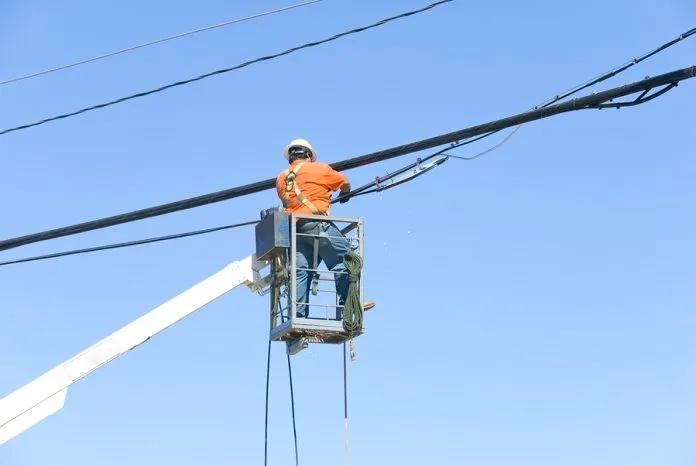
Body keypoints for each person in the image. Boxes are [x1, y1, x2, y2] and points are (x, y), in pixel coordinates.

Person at [276, 138, 374, 318]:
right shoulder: (318, 169)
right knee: (347, 261)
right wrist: (345, 194)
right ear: (308, 155)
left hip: (296, 231)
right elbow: (344, 183)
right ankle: (350, 306)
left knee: (301, 273)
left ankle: (298, 315)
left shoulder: (281, 179)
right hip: (317, 225)